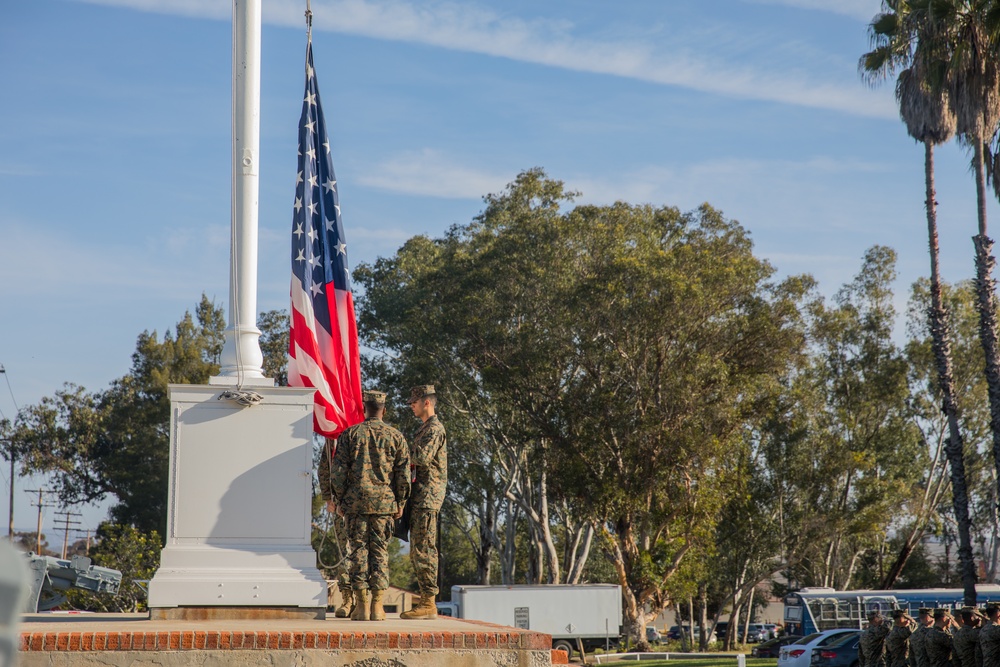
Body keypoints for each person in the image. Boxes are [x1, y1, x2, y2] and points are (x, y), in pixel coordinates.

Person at [327, 390, 410, 622]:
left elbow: (338, 472)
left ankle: (361, 605)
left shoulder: (349, 435)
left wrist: (341, 500)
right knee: (380, 554)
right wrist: (400, 502)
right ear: (383, 410)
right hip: (384, 505)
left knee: (358, 552)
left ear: (365, 409)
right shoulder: (396, 437)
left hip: (355, 504)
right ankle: (377, 606)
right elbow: (403, 475)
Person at [399, 384, 448, 621]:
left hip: (428, 496)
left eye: (414, 402)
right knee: (418, 549)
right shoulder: (425, 428)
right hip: (420, 495)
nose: (411, 405)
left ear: (427, 402)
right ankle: (426, 599)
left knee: (424, 549)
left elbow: (421, 458)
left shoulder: (435, 428)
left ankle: (428, 601)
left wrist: (395, 453)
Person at [318, 441, 354, 618]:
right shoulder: (333, 438)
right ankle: (348, 599)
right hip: (342, 507)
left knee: (370, 553)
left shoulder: (364, 433)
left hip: (366, 505)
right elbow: (325, 469)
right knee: (344, 552)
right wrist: (328, 497)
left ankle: (367, 600)